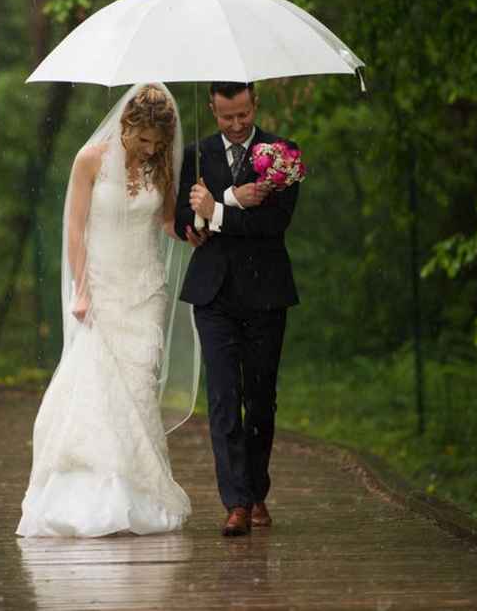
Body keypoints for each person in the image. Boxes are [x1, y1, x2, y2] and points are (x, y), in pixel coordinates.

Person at [17, 83, 199, 538]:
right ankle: (98, 494)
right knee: (96, 387)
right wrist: (81, 289)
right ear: (126, 125)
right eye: (143, 140)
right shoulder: (90, 160)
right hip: (101, 287)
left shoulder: (160, 167)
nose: (151, 149)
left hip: (145, 289)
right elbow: (75, 230)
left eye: (159, 143)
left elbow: (166, 221)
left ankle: (139, 494)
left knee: (138, 388)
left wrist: (195, 223)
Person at [175, 81, 300, 536]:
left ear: (255, 104)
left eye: (243, 115)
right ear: (211, 108)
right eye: (227, 116)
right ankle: (236, 503)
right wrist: (203, 217)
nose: (235, 124)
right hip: (213, 295)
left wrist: (218, 212)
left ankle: (256, 490)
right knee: (224, 398)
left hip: (266, 293)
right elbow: (180, 218)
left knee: (260, 398)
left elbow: (274, 222)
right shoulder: (195, 154)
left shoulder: (282, 153)